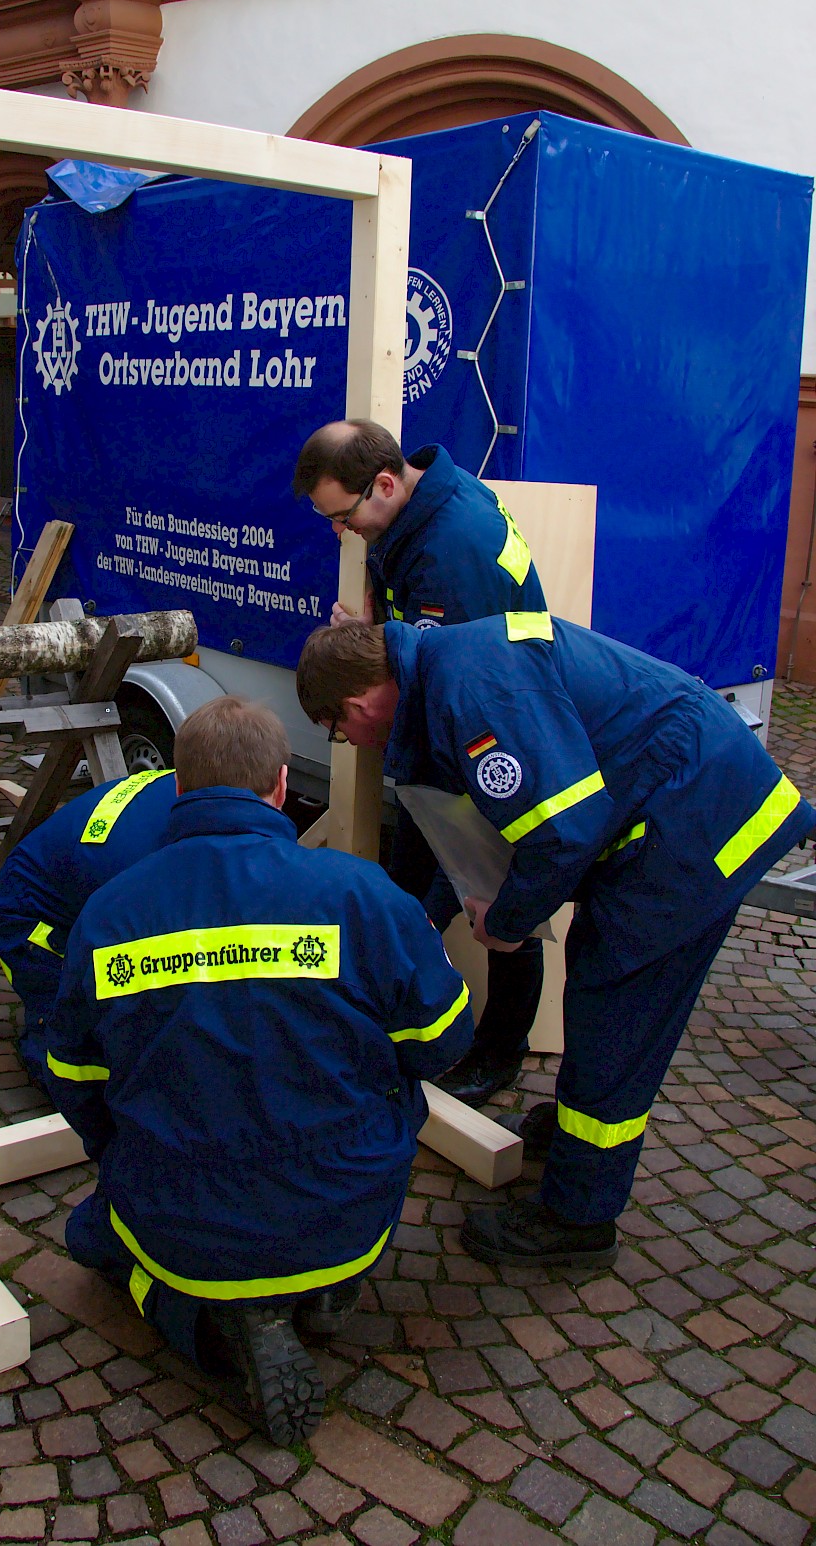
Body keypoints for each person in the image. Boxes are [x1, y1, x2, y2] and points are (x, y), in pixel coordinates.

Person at [295, 616, 813, 1268]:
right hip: (673, 807)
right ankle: (574, 1139)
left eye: (342, 733)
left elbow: (564, 832)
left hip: (698, 827)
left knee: (613, 1012)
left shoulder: (467, 690)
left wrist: (507, 925)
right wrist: (425, 916)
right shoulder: (441, 670)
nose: (354, 744)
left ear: (357, 703)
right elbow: (468, 830)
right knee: (598, 991)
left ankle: (577, 1218)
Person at [44, 695, 472, 1444]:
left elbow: (74, 1081)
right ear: (280, 785)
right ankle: (332, 1283)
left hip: (182, 1211)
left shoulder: (108, 916)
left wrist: (123, 1155)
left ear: (177, 789)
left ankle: (218, 1331)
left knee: (90, 1237)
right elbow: (442, 1043)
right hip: (347, 1201)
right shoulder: (365, 895)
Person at [292, 417, 547, 1105]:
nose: (341, 533)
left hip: (493, 743)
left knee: (500, 899)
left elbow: (450, 692)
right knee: (412, 893)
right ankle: (401, 1025)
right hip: (456, 733)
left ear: (382, 483)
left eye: (344, 517)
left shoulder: (450, 553)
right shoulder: (420, 504)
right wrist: (376, 633)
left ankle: (498, 1054)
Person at [0, 768, 177, 1089]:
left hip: (84, 884)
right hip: (31, 918)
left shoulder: (195, 782)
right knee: (89, 1064)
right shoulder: (134, 861)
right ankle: (49, 1044)